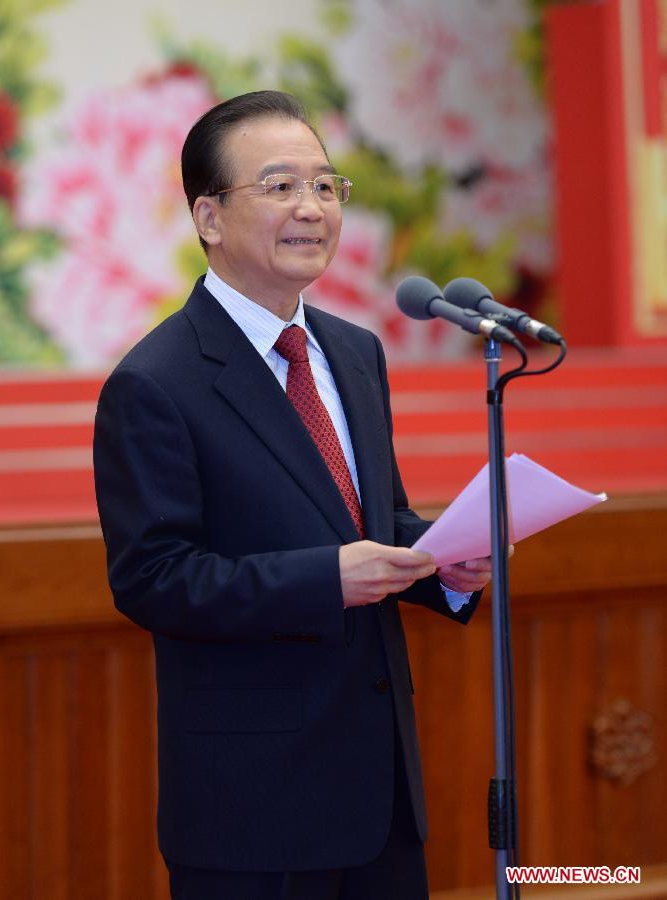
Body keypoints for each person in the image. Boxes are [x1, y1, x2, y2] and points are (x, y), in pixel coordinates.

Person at [93, 90, 493, 900]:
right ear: (208, 217)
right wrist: (326, 579)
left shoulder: (352, 351)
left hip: (382, 790)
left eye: (325, 186)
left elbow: (368, 522)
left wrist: (448, 561)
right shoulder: (155, 382)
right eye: (279, 186)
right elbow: (153, 578)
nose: (312, 208)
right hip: (253, 807)